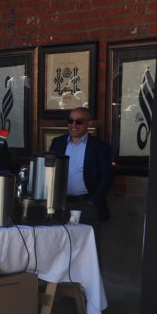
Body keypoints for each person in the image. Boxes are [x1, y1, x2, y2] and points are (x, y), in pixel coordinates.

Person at [49, 107, 112, 258]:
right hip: (62, 203)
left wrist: (92, 200)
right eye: (70, 121)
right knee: (60, 246)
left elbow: (106, 176)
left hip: (86, 204)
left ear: (89, 123)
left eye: (79, 122)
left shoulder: (99, 147)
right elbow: (50, 171)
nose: (73, 125)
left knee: (90, 248)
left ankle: (90, 275)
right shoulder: (58, 143)